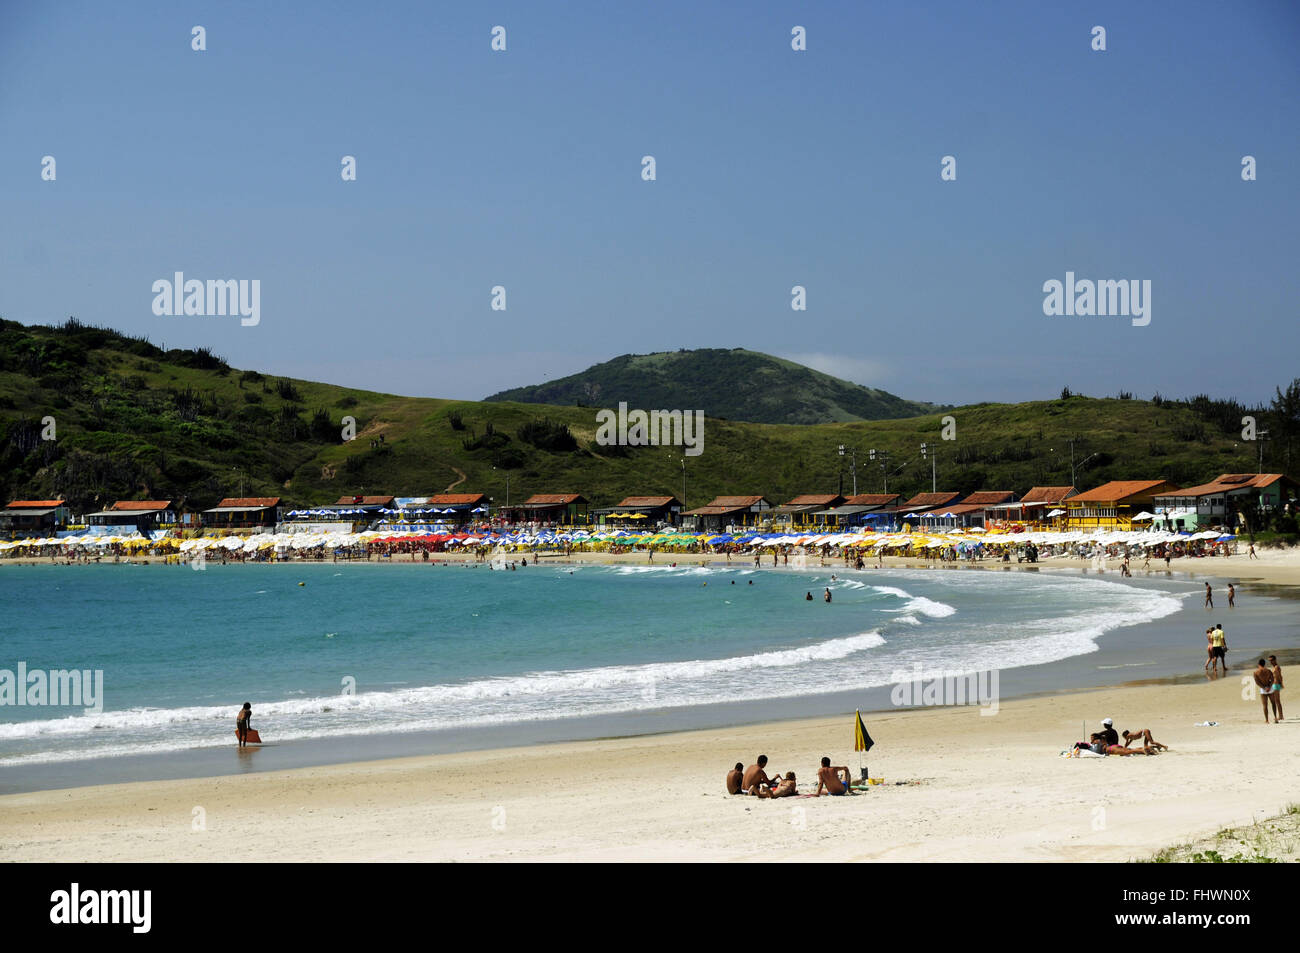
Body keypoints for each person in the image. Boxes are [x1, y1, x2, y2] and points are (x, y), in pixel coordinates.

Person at [1253, 659, 1275, 724]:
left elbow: (1257, 682)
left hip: (1263, 690)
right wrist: (1269, 687)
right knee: (1273, 703)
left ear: (1258, 664)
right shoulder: (1268, 671)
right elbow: (1273, 679)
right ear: (1264, 664)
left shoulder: (1256, 672)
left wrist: (1264, 688)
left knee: (1265, 705)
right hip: (1270, 688)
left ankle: (1267, 720)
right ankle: (1276, 717)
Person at [1267, 655, 1284, 722]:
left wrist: (1281, 684)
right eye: (1269, 660)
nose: (1270, 662)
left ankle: (1281, 716)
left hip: (1276, 685)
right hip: (1274, 684)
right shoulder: (1275, 667)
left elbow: (1279, 676)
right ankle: (1281, 715)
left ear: (1275, 660)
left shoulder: (1276, 667)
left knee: (1277, 701)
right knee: (1277, 701)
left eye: (1271, 660)